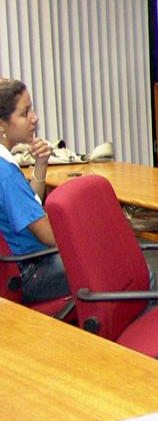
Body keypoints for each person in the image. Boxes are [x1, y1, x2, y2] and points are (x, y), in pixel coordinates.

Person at [0, 78, 70, 304]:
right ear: (2, 124)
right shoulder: (6, 174)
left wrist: (40, 164)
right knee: (130, 270)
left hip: (19, 263)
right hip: (32, 270)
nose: (35, 118)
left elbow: (30, 204)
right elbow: (48, 235)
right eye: (25, 113)